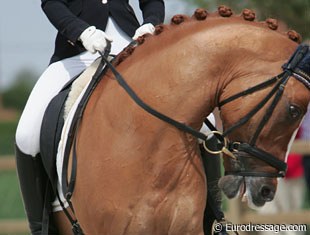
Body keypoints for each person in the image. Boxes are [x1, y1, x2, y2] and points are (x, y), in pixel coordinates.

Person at [15, 0, 165, 234]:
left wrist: (151, 24)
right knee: (26, 134)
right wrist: (81, 32)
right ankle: (40, 228)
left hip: (132, 47)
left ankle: (212, 217)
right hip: (76, 54)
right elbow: (51, 3)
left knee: (203, 123)